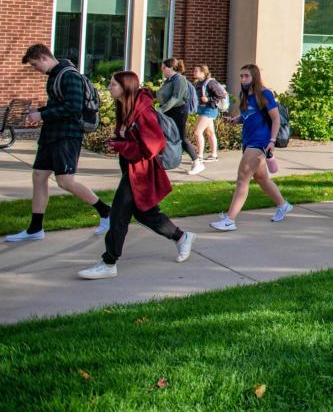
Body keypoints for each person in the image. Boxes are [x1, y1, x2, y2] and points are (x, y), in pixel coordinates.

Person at [78, 71, 194, 279]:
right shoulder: (125, 106)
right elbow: (128, 136)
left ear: (126, 87)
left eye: (113, 84)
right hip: (133, 168)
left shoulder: (143, 112)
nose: (109, 87)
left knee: (118, 215)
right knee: (145, 214)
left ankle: (109, 262)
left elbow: (154, 145)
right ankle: (182, 237)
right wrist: (118, 143)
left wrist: (122, 145)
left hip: (141, 172)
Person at [5, 44, 111, 243]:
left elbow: (73, 107)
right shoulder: (56, 75)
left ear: (44, 57)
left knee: (65, 181)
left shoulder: (69, 76)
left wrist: (42, 114)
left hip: (67, 136)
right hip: (51, 135)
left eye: (35, 65)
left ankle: (106, 212)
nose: (36, 70)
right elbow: (60, 104)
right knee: (39, 175)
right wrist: (41, 111)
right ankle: (35, 229)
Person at [209, 65, 293, 231]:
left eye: (246, 76)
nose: (243, 79)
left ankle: (229, 220)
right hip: (248, 140)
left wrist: (272, 141)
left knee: (242, 178)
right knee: (261, 178)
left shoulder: (265, 94)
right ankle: (283, 205)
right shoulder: (245, 95)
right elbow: (249, 115)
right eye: (241, 76)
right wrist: (236, 120)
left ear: (255, 76)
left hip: (259, 142)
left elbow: (275, 119)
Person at [157, 58, 202, 175]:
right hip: (169, 111)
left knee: (181, 138)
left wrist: (161, 110)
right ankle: (163, 161)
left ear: (171, 68)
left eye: (164, 67)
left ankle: (197, 162)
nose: (162, 70)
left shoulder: (179, 79)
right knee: (164, 136)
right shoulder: (169, 80)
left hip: (179, 112)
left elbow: (176, 97)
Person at [192, 64, 227, 162]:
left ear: (203, 72)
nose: (194, 72)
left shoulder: (210, 82)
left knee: (197, 132)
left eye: (196, 71)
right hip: (203, 110)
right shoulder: (199, 83)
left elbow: (221, 94)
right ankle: (214, 155)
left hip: (209, 110)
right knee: (210, 132)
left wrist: (208, 99)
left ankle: (199, 156)